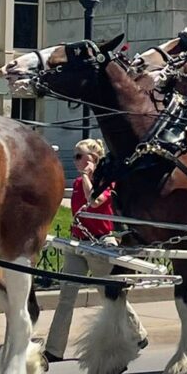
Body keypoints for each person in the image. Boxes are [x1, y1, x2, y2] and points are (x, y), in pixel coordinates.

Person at [45, 139, 117, 362]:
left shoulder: (107, 182)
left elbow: (94, 201)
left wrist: (88, 177)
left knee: (108, 294)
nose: (75, 160)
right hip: (78, 242)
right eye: (75, 155)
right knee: (66, 296)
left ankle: (138, 333)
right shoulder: (76, 183)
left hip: (100, 243)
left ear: (93, 159)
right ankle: (54, 349)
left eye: (79, 156)